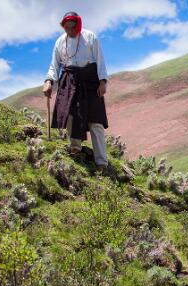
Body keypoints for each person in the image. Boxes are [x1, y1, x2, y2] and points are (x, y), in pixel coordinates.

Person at [43, 11, 109, 169]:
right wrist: (49, 81)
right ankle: (75, 149)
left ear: (78, 24)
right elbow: (55, 65)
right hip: (69, 81)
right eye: (67, 28)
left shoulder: (90, 37)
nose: (70, 31)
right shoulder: (60, 42)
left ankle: (101, 162)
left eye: (73, 27)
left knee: (96, 120)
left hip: (90, 81)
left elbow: (100, 60)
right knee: (72, 115)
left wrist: (103, 82)